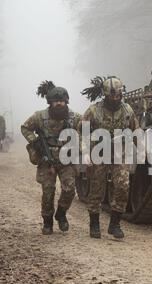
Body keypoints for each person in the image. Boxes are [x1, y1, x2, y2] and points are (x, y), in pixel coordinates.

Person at [80, 77, 139, 239]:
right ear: (105, 94)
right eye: (112, 95)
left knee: (122, 185)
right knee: (96, 188)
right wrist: (85, 152)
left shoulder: (127, 110)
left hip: (119, 152)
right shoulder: (93, 111)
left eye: (118, 95)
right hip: (98, 152)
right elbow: (83, 132)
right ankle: (94, 224)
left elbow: (136, 130)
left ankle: (115, 224)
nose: (115, 98)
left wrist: (141, 149)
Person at [21, 81, 80, 235]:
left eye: (61, 101)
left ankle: (61, 214)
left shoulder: (75, 117)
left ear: (66, 101)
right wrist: (35, 142)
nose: (59, 104)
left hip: (67, 160)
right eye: (56, 101)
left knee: (70, 190)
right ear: (50, 102)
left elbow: (86, 130)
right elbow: (25, 128)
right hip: (47, 161)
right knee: (48, 192)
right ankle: (47, 221)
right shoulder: (40, 117)